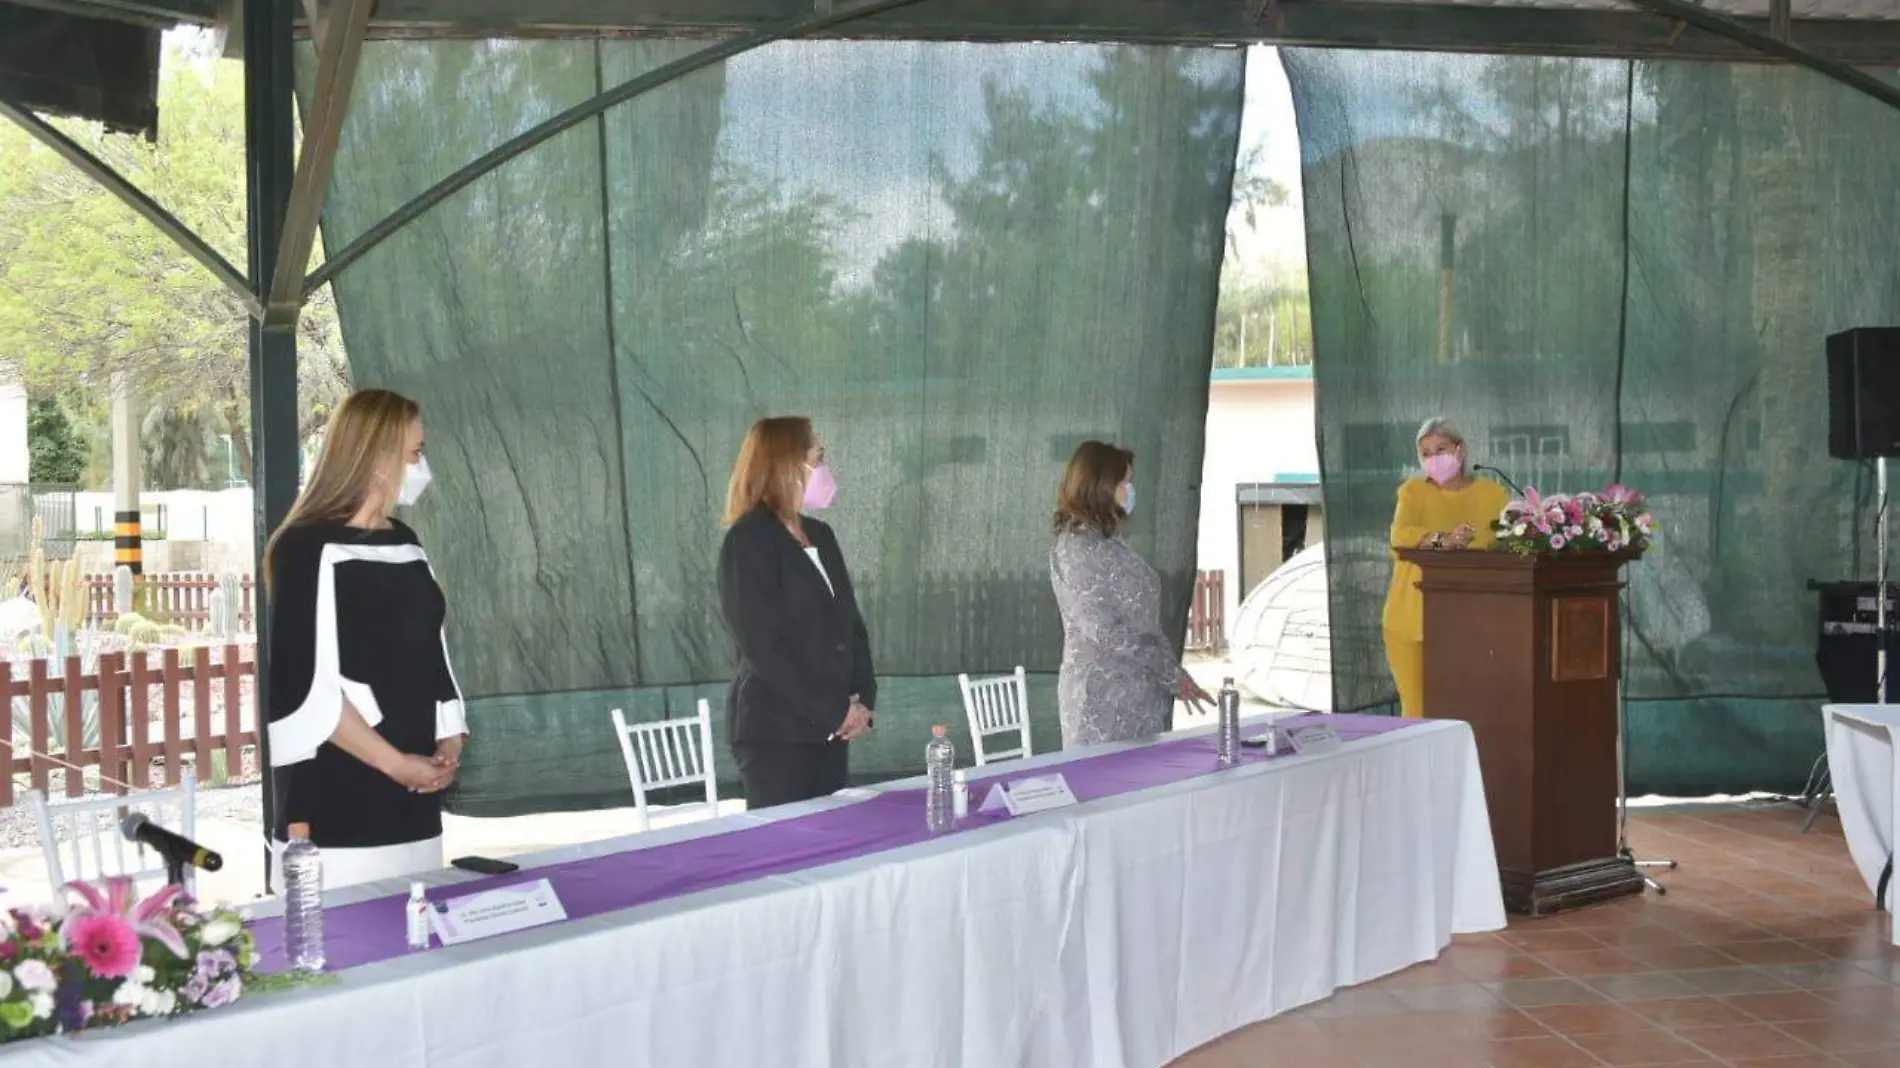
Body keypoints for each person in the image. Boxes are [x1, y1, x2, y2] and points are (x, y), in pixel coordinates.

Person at [263, 389, 468, 891]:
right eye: (415, 453)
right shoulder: (305, 549)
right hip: (337, 800)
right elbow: (302, 685)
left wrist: (449, 737)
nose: (423, 465)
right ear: (376, 457)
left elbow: (430, 650)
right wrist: (395, 764)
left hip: (415, 797)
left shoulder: (405, 541)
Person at [717, 416, 876, 809]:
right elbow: (763, 646)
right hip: (777, 734)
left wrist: (862, 701)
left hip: (830, 730)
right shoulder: (749, 539)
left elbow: (850, 626)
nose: (824, 469)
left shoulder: (821, 535)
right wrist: (835, 710)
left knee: (834, 852)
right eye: (817, 457)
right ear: (785, 463)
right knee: (789, 854)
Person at [1049, 441, 1211, 747]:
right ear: (1100, 487)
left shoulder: (1109, 544)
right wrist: (1168, 672)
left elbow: (1144, 623)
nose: (1129, 490)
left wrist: (1173, 673)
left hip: (1139, 700)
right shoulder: (1077, 548)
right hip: (1101, 707)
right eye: (1124, 482)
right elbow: (1104, 631)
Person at [1382, 417, 1510, 719]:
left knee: (1465, 712)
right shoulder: (1413, 492)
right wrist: (1444, 540)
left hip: (1474, 625)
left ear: (1460, 450)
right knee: (1418, 711)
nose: (1433, 459)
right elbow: (1399, 536)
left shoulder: (1493, 495)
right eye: (1425, 454)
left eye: (1441, 449)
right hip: (1411, 619)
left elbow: (1510, 542)